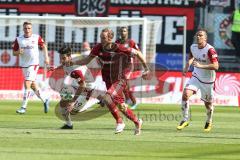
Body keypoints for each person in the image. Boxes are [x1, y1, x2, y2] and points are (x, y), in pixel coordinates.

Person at [74, 28, 150, 135]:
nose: (101, 40)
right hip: (108, 79)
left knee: (107, 97)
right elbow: (86, 60)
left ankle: (119, 122)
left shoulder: (118, 47)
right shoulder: (98, 48)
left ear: (110, 38)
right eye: (100, 37)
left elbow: (137, 53)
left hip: (120, 78)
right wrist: (72, 62)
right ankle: (137, 121)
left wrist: (146, 69)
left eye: (103, 38)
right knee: (121, 106)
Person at [176, 29, 219, 132]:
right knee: (185, 94)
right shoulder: (193, 47)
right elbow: (192, 56)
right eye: (197, 35)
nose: (198, 37)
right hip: (196, 77)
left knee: (208, 104)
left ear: (205, 38)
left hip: (208, 81)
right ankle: (185, 119)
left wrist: (201, 65)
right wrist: (187, 65)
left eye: (200, 35)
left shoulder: (210, 50)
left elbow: (216, 66)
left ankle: (209, 120)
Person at [57, 46, 106, 129]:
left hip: (87, 88)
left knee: (73, 111)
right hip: (78, 84)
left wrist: (73, 102)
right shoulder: (67, 62)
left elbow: (82, 85)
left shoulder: (76, 70)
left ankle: (97, 98)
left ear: (69, 57)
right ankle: (69, 125)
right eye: (60, 58)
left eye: (63, 58)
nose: (61, 60)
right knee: (63, 102)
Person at [12, 21, 50, 114]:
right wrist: (18, 52)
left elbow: (44, 46)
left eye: (29, 28)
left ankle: (23, 107)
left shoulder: (36, 37)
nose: (27, 30)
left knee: (27, 83)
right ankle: (45, 100)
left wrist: (46, 57)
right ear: (23, 29)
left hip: (33, 64)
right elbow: (14, 53)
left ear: (31, 29)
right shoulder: (18, 39)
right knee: (33, 86)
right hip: (24, 65)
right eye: (25, 28)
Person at [115, 26, 138, 110]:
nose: (122, 33)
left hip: (128, 65)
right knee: (124, 85)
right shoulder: (117, 42)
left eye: (124, 31)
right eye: (121, 31)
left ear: (127, 32)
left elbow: (138, 52)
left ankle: (134, 102)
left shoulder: (131, 42)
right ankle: (128, 100)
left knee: (125, 81)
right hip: (120, 66)